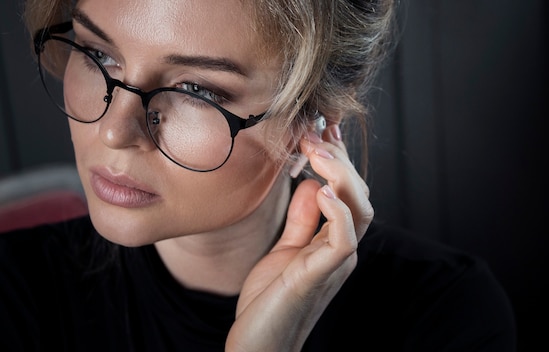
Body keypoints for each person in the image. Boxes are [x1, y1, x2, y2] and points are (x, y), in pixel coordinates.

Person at [0, 0, 516, 350]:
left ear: (308, 122)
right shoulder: (15, 291)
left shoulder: (445, 317)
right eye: (99, 55)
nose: (114, 132)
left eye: (196, 90)